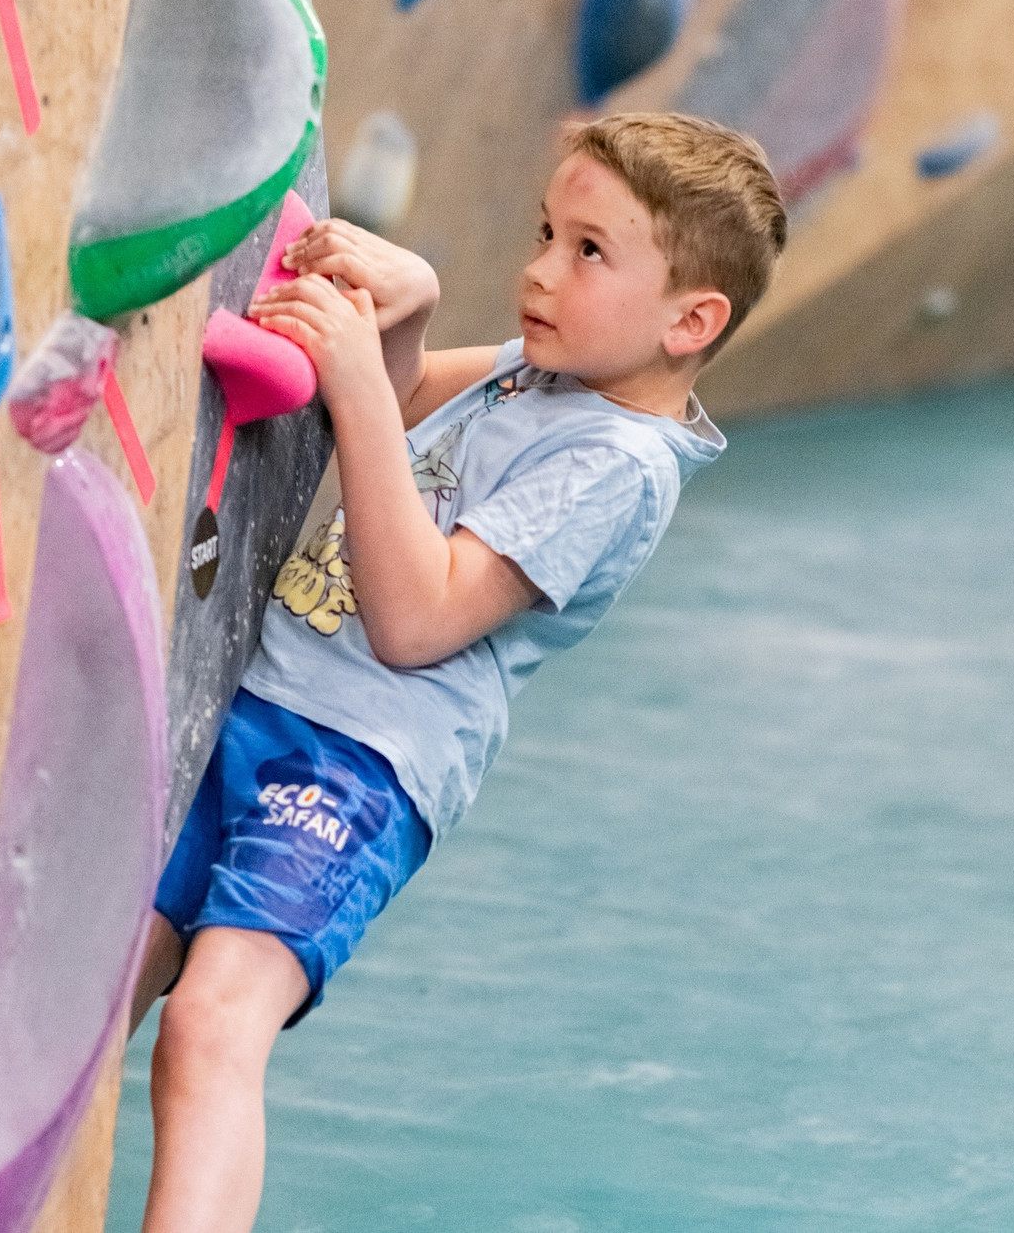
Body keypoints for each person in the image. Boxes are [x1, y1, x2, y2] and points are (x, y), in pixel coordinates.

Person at [128, 112, 787, 1233]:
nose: (537, 268)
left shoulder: (614, 466)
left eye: (588, 252)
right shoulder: (544, 374)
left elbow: (418, 617)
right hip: (256, 707)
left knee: (211, 1026)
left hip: (353, 770)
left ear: (693, 319)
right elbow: (404, 399)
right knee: (91, 988)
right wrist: (411, 311)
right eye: (546, 230)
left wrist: (362, 383)